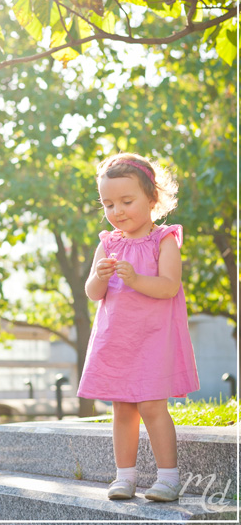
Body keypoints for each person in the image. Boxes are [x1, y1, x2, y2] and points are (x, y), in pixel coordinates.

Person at [78, 152, 199, 502]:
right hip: (117, 339)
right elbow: (92, 293)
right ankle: (125, 477)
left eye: (126, 201)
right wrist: (99, 279)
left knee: (151, 406)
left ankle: (168, 478)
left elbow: (168, 287)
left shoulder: (164, 240)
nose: (117, 211)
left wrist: (135, 278)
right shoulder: (109, 243)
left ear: (152, 198)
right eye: (108, 203)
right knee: (122, 408)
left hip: (152, 339)